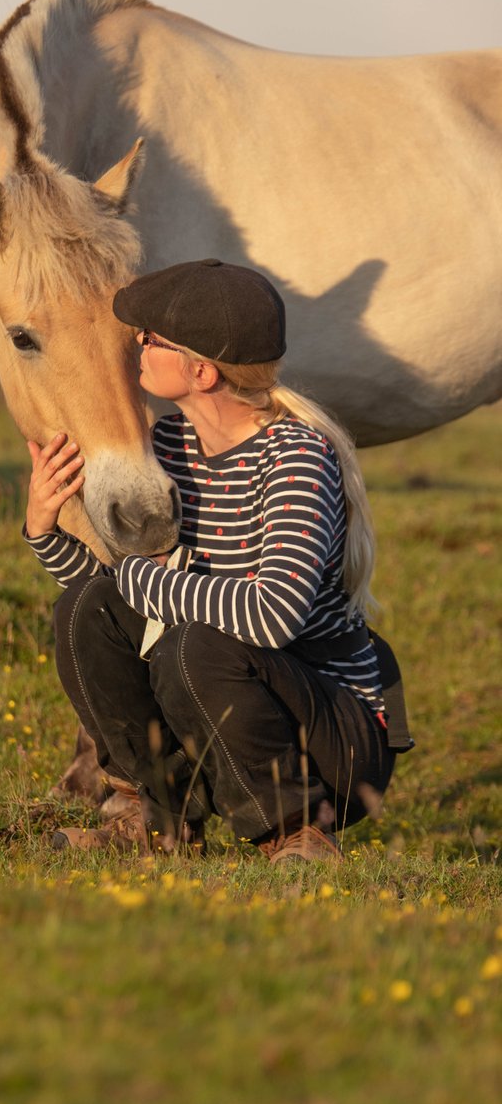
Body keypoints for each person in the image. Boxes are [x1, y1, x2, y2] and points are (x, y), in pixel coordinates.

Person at [24, 259, 410, 862]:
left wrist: (133, 577)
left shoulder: (296, 458)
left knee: (193, 645)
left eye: (152, 338)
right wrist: (44, 530)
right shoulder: (170, 445)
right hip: (222, 691)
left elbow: (271, 616)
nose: (137, 345)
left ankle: (299, 831)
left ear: (202, 372)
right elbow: (125, 603)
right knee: (84, 612)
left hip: (336, 739)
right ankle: (155, 819)